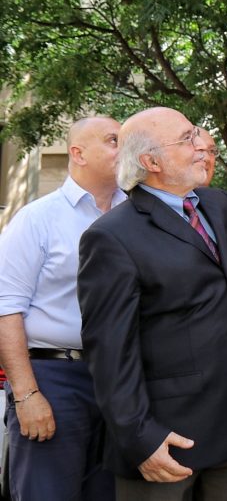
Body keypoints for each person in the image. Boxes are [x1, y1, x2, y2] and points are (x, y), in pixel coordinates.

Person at [77, 107, 227, 500]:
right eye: (187, 139)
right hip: (166, 439)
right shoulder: (111, 237)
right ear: (151, 162)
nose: (201, 146)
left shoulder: (219, 204)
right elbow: (110, 352)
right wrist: (140, 438)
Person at [0, 116, 124, 500]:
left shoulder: (136, 215)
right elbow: (6, 309)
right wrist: (26, 395)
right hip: (54, 378)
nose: (124, 147)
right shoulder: (37, 218)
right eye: (113, 140)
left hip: (119, 379)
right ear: (78, 153)